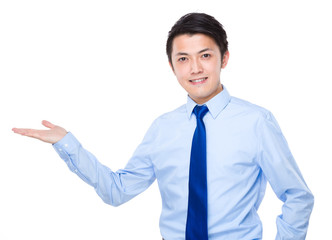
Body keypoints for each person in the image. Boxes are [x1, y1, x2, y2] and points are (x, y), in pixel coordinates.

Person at [12, 13, 314, 240]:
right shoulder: (163, 129)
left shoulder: (256, 122)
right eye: (183, 59)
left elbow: (297, 196)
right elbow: (117, 192)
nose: (195, 68)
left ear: (224, 59)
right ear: (172, 66)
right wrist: (67, 144)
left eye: (205, 56)